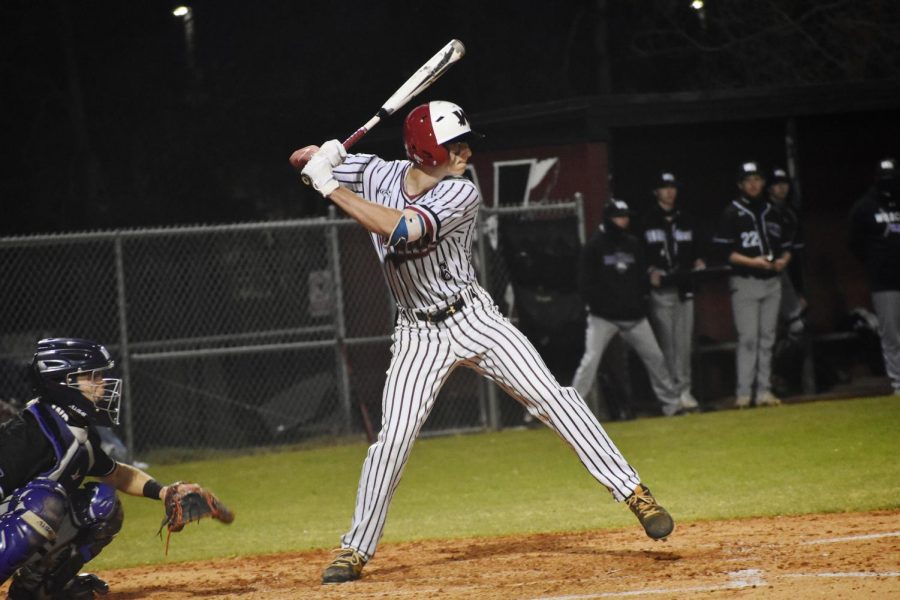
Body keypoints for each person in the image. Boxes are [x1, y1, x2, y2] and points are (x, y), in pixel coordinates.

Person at [294, 101, 674, 584]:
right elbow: (299, 160)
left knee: (554, 398)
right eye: (454, 144)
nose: (465, 151)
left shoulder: (460, 193)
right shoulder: (374, 172)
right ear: (425, 148)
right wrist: (317, 156)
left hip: (474, 317)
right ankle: (354, 549)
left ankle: (634, 492)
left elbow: (403, 228)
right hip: (417, 332)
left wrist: (329, 185)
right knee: (392, 441)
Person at [2, 339, 188, 598]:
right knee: (43, 501)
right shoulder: (29, 433)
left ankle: (37, 591)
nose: (102, 386)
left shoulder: (78, 434)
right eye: (93, 378)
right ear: (63, 383)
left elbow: (119, 474)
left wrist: (164, 492)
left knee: (103, 504)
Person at [570, 198, 683, 418]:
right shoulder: (594, 246)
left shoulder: (632, 243)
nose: (624, 220)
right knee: (590, 361)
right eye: (619, 216)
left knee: (656, 358)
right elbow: (584, 282)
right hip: (603, 317)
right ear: (608, 218)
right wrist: (598, 305)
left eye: (625, 216)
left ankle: (672, 405)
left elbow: (641, 275)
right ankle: (569, 410)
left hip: (634, 316)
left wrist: (643, 294)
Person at [712, 161, 792, 408]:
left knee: (767, 338)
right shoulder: (732, 212)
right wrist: (753, 262)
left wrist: (782, 262)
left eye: (757, 179)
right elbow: (727, 253)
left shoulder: (774, 211)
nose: (753, 184)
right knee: (748, 338)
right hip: (745, 281)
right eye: (748, 180)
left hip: (771, 281)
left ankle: (764, 391)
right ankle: (744, 394)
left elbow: (787, 248)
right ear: (740, 185)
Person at [639, 171, 706, 411]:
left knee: (683, 344)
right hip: (662, 291)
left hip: (684, 287)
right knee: (666, 346)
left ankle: (684, 391)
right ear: (656, 191)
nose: (669, 191)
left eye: (672, 187)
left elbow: (697, 250)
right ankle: (670, 396)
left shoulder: (686, 219)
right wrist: (649, 272)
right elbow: (640, 256)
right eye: (664, 187)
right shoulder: (647, 220)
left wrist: (699, 261)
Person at [848, 157, 900, 395]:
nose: (889, 182)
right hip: (883, 280)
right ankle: (899, 384)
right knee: (891, 334)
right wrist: (875, 261)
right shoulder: (864, 207)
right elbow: (854, 243)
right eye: (884, 178)